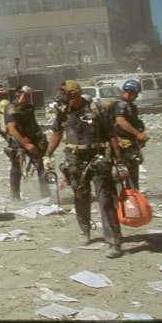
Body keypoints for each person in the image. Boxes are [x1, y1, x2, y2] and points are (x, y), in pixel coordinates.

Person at [43, 80, 124, 258]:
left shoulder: (97, 110)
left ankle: (114, 241)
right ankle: (85, 231)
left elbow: (111, 135)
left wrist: (119, 161)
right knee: (81, 197)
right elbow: (57, 134)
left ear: (76, 93)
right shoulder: (63, 113)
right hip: (75, 159)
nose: (63, 97)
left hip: (98, 157)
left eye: (67, 93)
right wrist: (47, 155)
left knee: (106, 200)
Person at [4, 85, 50, 200]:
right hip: (19, 142)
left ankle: (45, 194)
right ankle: (15, 195)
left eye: (29, 96)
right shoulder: (12, 108)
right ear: (18, 95)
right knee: (16, 168)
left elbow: (33, 124)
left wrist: (40, 137)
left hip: (32, 140)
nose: (28, 98)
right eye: (26, 96)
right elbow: (12, 129)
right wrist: (25, 144)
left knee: (41, 166)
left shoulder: (29, 108)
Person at [112, 79, 148, 191]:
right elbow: (121, 121)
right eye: (136, 94)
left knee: (132, 172)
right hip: (122, 144)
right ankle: (124, 197)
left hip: (129, 143)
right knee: (124, 171)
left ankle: (132, 194)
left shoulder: (128, 105)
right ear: (131, 92)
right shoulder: (121, 105)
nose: (136, 97)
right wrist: (138, 134)